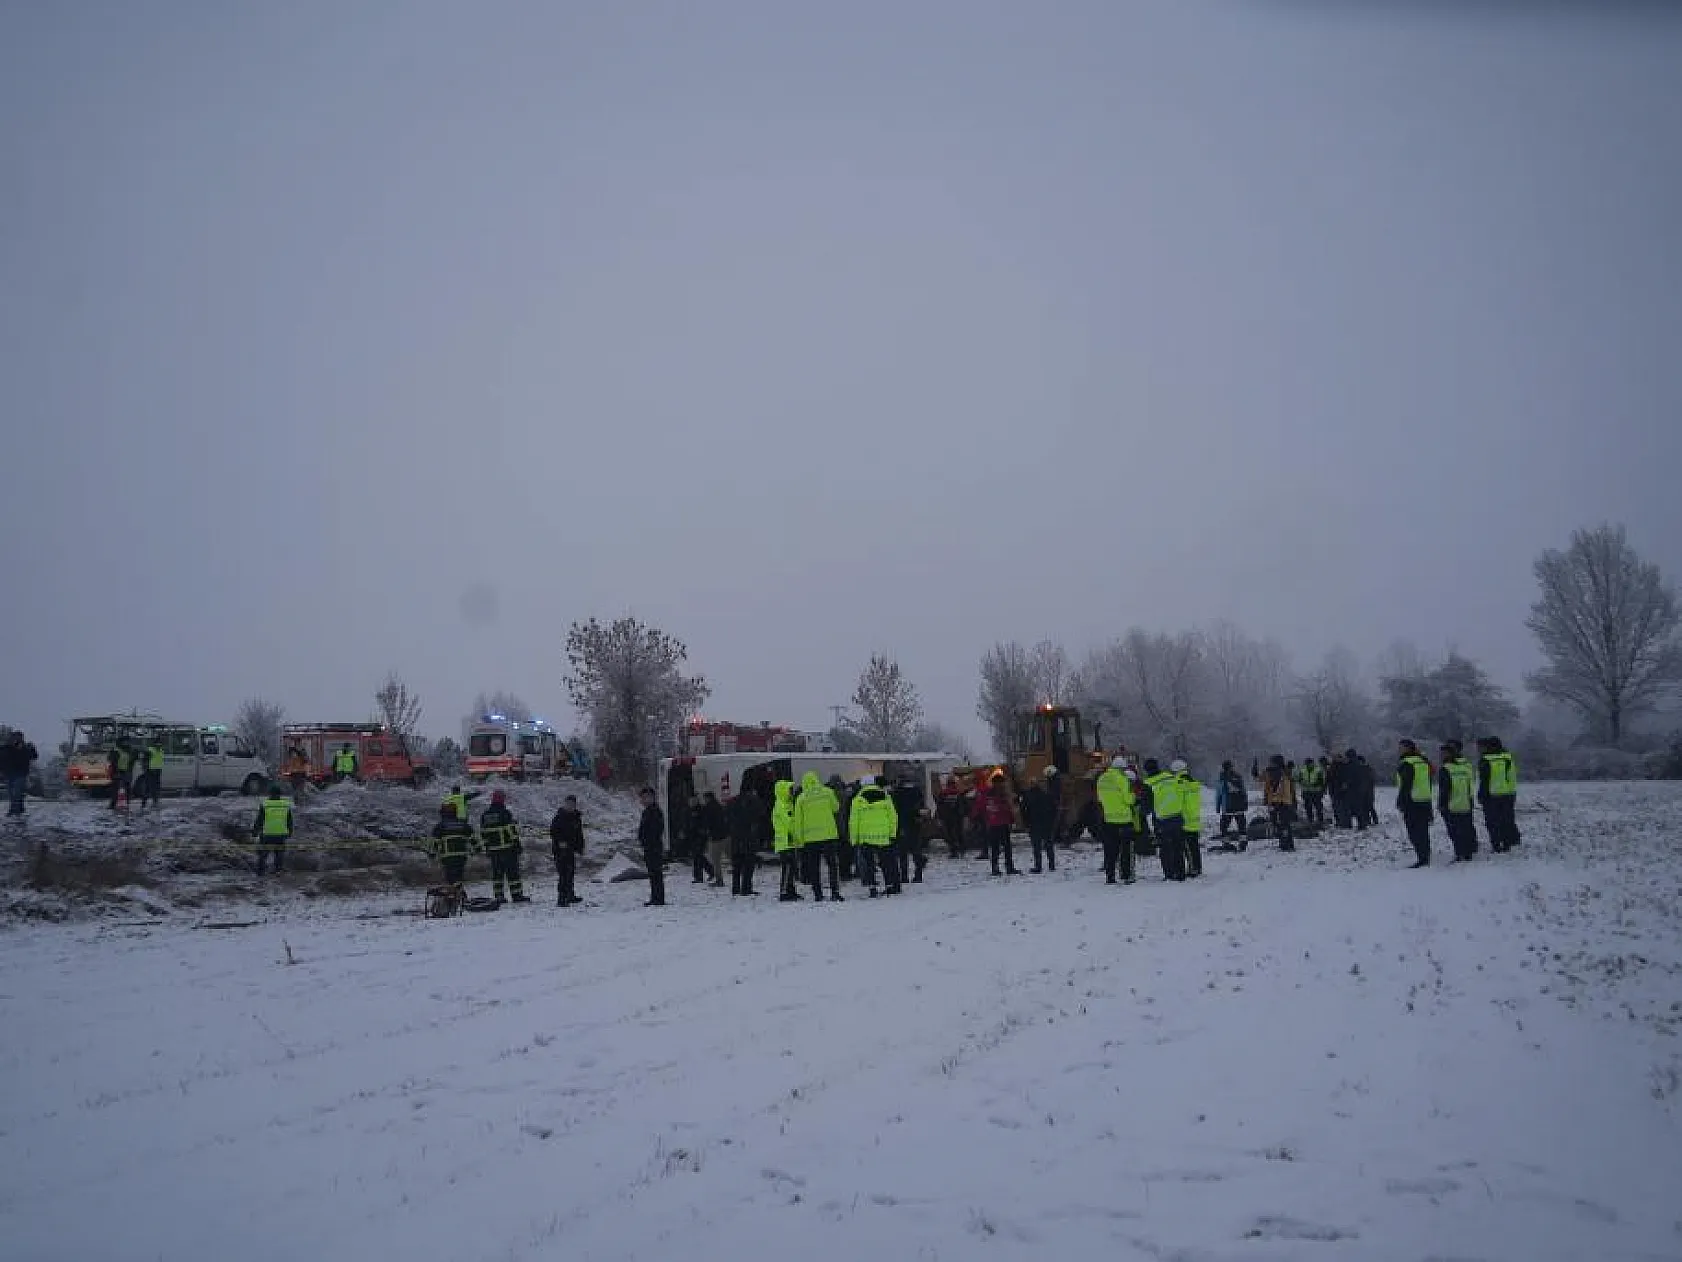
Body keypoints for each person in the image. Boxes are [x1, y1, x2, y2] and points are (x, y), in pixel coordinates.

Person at [792, 771, 843, 901]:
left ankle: (818, 894)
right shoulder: (827, 792)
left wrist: (798, 839)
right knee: (832, 865)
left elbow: (798, 821)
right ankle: (835, 892)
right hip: (828, 836)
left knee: (814, 867)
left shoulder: (801, 798)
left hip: (810, 839)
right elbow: (836, 808)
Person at [850, 776, 900, 896]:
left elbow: (853, 821)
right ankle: (889, 886)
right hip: (883, 836)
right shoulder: (886, 797)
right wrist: (892, 833)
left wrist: (854, 839)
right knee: (885, 863)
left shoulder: (858, 799)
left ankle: (872, 889)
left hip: (866, 837)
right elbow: (893, 817)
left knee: (869, 864)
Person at [479, 789, 527, 903]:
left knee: (497, 874)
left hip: (493, 850)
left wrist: (487, 848)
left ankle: (499, 896)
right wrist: (517, 844)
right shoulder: (505, 813)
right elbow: (511, 830)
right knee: (512, 873)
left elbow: (483, 833)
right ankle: (517, 895)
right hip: (507, 848)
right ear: (502, 800)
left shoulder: (485, 815)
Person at [1095, 756, 1137, 884]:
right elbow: (1128, 799)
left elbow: (1100, 799)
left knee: (1109, 851)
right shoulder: (1122, 779)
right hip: (1124, 820)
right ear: (1122, 768)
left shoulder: (1101, 779)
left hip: (1108, 820)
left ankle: (1110, 876)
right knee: (1126, 851)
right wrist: (1134, 796)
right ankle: (1126, 875)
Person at [1477, 736, 1522, 853]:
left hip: (1492, 795)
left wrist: (1481, 795)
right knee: (1507, 820)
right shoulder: (1507, 757)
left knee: (1492, 822)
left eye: (1481, 747)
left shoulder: (1486, 759)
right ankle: (1509, 841)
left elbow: (1485, 780)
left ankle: (1496, 844)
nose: (1479, 749)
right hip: (1509, 793)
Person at [1143, 759, 1186, 881]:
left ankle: (1169, 874)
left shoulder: (1148, 783)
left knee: (1165, 848)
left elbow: (1147, 806)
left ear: (1146, 770)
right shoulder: (1170, 777)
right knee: (1178, 847)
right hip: (1177, 816)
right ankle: (1181, 873)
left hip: (1162, 820)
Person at [1395, 739, 1435, 868]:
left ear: (1408, 748)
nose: (1399, 750)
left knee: (1414, 831)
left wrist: (1401, 801)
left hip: (1411, 801)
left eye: (1401, 747)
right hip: (1424, 799)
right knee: (1423, 830)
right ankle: (1425, 854)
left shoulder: (1406, 763)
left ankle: (1422, 858)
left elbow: (1406, 784)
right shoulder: (1423, 761)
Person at [1437, 740, 1479, 863]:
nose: (1441, 756)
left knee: (1454, 831)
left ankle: (1460, 853)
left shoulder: (1446, 769)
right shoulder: (1463, 766)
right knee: (1465, 828)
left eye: (1443, 754)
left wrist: (1442, 805)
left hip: (1451, 804)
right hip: (1464, 802)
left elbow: (1444, 790)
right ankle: (1468, 852)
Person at [976, 772, 1019, 876]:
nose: (1002, 785)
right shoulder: (1002, 794)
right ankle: (1008, 867)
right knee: (1006, 847)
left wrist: (982, 818)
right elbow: (1008, 808)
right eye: (1001, 782)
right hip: (1001, 823)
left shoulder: (988, 794)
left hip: (993, 824)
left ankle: (996, 868)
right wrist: (1012, 818)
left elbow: (980, 807)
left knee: (996, 848)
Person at [1254, 754, 1297, 852]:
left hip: (1274, 802)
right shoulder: (1286, 772)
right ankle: (1288, 843)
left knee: (1277, 823)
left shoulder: (1269, 772)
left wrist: (1255, 771)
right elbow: (1292, 788)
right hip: (1286, 801)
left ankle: (1283, 842)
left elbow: (1258, 779)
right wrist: (1294, 801)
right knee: (1285, 824)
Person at [431, 801, 476, 892]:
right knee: (458, 876)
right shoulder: (463, 825)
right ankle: (458, 894)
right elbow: (473, 838)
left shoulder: (440, 826)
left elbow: (435, 842)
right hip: (461, 856)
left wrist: (432, 853)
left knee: (450, 877)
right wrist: (477, 849)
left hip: (448, 857)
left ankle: (455, 895)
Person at [548, 793, 584, 906]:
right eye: (568, 804)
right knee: (563, 874)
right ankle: (561, 898)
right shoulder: (559, 817)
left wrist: (580, 846)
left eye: (572, 804)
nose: (570, 806)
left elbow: (579, 833)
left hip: (571, 850)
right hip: (560, 851)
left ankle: (570, 895)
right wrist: (560, 843)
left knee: (570, 873)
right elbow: (553, 832)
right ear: (565, 804)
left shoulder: (576, 817)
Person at [1020, 770, 1059, 873]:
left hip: (1034, 825)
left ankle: (1038, 866)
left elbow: (1024, 811)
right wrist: (1052, 822)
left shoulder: (1027, 797)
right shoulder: (1046, 795)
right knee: (1048, 845)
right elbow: (1053, 809)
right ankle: (1052, 865)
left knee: (1036, 847)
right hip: (1046, 824)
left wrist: (1026, 824)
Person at [891, 775, 927, 884]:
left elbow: (895, 810)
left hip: (902, 824)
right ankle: (918, 873)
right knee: (916, 850)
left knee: (902, 852)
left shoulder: (897, 793)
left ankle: (904, 876)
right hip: (915, 824)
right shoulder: (917, 792)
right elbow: (921, 807)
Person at [771, 778, 802, 901]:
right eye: (789, 789)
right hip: (784, 842)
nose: (791, 791)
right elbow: (788, 822)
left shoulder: (787, 803)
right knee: (787, 868)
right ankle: (784, 892)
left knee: (791, 867)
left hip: (789, 841)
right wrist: (797, 830)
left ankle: (791, 890)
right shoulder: (780, 805)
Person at [252, 784, 292, 876]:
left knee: (263, 854)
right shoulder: (285, 805)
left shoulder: (265, 804)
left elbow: (259, 820)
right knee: (279, 854)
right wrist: (290, 832)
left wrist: (255, 831)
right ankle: (278, 870)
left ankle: (260, 872)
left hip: (267, 834)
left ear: (270, 794)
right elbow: (289, 820)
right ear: (280, 794)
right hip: (281, 834)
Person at [727, 787, 761, 896]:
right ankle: (746, 889)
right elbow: (759, 814)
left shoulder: (732, 803)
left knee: (736, 867)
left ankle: (735, 889)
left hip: (736, 840)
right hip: (748, 841)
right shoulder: (752, 802)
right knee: (748, 867)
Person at [1175, 760, 1204, 878]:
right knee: (1195, 846)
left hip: (1185, 820)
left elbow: (1177, 801)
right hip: (1195, 819)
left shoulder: (1179, 782)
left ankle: (1193, 869)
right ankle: (1198, 867)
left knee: (1187, 847)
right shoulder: (1194, 783)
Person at [638, 787, 666, 906]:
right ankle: (655, 896)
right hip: (649, 847)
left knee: (656, 873)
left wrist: (648, 841)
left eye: (647, 797)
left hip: (653, 847)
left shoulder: (655, 811)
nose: (644, 800)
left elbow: (656, 830)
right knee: (652, 873)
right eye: (643, 798)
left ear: (652, 798)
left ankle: (658, 898)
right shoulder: (647, 811)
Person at [1, 730, 39, 818]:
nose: (17, 740)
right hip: (9, 773)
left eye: (19, 738)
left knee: (17, 792)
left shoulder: (25, 748)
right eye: (15, 738)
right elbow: (2, 758)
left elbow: (34, 756)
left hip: (21, 773)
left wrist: (32, 748)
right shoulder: (6, 748)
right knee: (12, 793)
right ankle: (19, 809)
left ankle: (14, 810)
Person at [1214, 759, 1248, 851]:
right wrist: (1245, 804)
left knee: (1224, 826)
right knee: (1241, 826)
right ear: (1232, 767)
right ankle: (1243, 843)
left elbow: (1219, 794)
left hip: (1227, 807)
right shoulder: (1238, 777)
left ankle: (1226, 843)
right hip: (1239, 807)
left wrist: (1217, 807)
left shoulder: (1222, 778)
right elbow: (1244, 791)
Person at [694, 790, 726, 886]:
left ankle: (719, 880)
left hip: (715, 836)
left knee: (716, 860)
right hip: (723, 835)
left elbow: (707, 822)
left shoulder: (708, 808)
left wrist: (705, 831)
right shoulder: (719, 806)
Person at [936, 774, 967, 858]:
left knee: (949, 834)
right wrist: (964, 814)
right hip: (957, 817)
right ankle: (961, 849)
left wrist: (939, 816)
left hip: (947, 817)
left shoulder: (943, 793)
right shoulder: (958, 793)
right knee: (959, 833)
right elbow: (963, 805)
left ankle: (954, 850)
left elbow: (939, 805)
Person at [107, 739, 135, 810]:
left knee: (126, 788)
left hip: (126, 771)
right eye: (125, 742)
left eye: (127, 742)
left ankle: (126, 803)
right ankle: (113, 804)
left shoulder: (129, 751)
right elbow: (111, 760)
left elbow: (131, 761)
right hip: (118, 772)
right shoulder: (116, 751)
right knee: (116, 788)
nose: (126, 743)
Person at [1299, 756, 1326, 827]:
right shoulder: (1302, 770)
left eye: (1309, 764)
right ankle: (1310, 820)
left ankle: (1320, 820)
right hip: (1306, 791)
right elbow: (1300, 779)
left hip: (1316, 792)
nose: (1308, 765)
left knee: (1318, 807)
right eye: (1307, 764)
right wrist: (1303, 783)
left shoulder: (1318, 770)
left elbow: (1321, 781)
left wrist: (1314, 785)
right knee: (1308, 807)